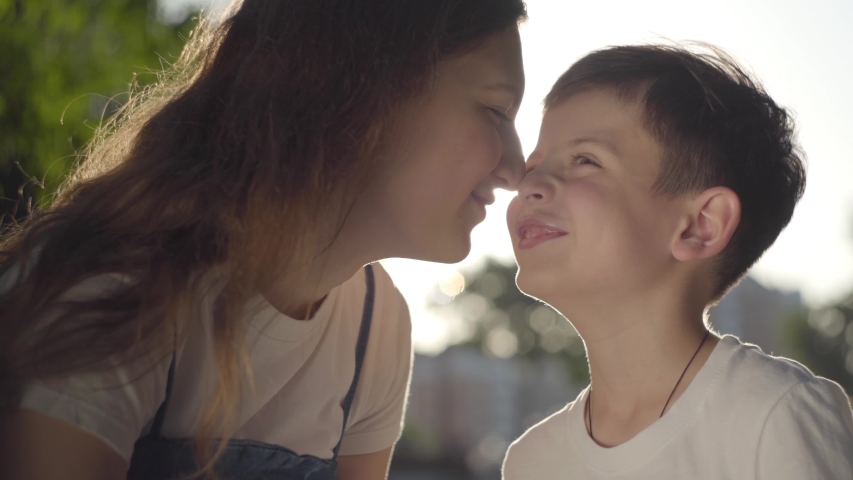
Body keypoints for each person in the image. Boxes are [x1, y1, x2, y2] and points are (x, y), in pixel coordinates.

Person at [0, 0, 527, 479]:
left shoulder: (376, 324)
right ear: (365, 92)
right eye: (497, 112)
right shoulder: (117, 287)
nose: (517, 168)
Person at [501, 44, 853, 479]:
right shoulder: (531, 461)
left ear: (700, 225)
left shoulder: (774, 413)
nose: (529, 183)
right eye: (533, 165)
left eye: (584, 159)